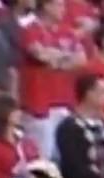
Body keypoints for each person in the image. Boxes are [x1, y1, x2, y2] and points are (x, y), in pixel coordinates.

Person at [19, 0, 86, 159]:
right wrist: (66, 56)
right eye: (59, 5)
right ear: (46, 6)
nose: (64, 9)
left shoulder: (67, 32)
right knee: (42, 158)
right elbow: (40, 54)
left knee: (65, 158)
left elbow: (82, 59)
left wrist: (57, 58)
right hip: (40, 106)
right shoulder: (31, 29)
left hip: (65, 103)